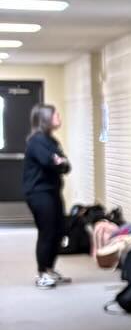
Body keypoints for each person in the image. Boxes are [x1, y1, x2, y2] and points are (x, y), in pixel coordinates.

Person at [23, 104, 72, 289]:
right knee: (47, 232)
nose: (59, 116)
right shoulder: (37, 141)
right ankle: (42, 273)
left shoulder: (51, 141)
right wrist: (59, 162)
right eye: (55, 114)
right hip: (39, 193)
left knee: (59, 230)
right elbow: (50, 162)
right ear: (45, 119)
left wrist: (60, 162)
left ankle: (50, 268)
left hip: (52, 191)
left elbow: (66, 166)